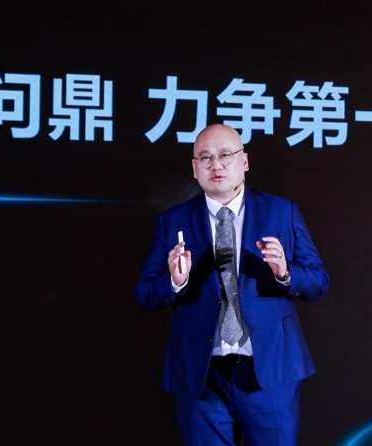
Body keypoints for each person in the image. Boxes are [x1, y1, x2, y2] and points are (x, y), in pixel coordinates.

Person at [135, 124, 330, 446]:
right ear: (195, 168)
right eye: (206, 158)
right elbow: (145, 293)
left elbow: (318, 281)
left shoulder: (281, 211)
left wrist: (285, 273)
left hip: (270, 368)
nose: (216, 165)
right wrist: (175, 281)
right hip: (202, 374)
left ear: (244, 161)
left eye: (225, 155)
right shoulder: (173, 221)